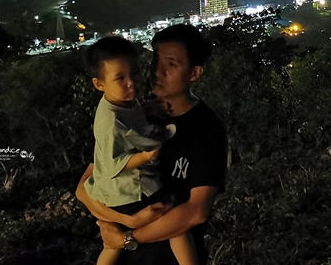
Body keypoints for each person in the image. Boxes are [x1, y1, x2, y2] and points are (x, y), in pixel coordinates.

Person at [76, 25, 227, 265]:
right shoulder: (132, 115)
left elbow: (196, 211)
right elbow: (84, 187)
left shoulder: (206, 128)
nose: (158, 71)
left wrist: (128, 237)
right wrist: (128, 222)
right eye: (156, 61)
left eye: (171, 64)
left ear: (194, 73)